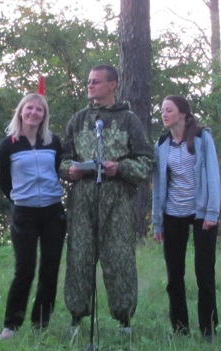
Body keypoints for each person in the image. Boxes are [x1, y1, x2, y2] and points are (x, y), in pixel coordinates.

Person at [59, 64, 154, 336]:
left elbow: (146, 161)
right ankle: (77, 318)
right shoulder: (78, 120)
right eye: (88, 81)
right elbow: (62, 158)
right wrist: (71, 170)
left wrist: (120, 169)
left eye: (96, 81)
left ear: (112, 85)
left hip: (118, 200)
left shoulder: (129, 121)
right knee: (79, 258)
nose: (90, 86)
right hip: (82, 199)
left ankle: (124, 320)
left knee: (120, 259)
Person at [0, 93, 67, 340]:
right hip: (24, 213)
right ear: (21, 111)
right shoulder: (9, 144)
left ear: (44, 115)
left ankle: (41, 322)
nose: (34, 113)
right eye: (30, 108)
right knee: (24, 269)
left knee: (50, 268)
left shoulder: (53, 142)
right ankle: (11, 324)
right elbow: (4, 182)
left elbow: (60, 170)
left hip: (53, 212)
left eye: (39, 110)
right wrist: (19, 200)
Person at [152, 95, 221, 341]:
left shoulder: (202, 138)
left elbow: (212, 174)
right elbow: (158, 186)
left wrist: (212, 211)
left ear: (182, 113)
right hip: (172, 213)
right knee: (174, 274)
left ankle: (208, 329)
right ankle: (180, 328)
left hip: (202, 213)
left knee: (204, 273)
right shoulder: (161, 144)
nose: (164, 114)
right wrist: (157, 222)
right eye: (162, 110)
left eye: (168, 110)